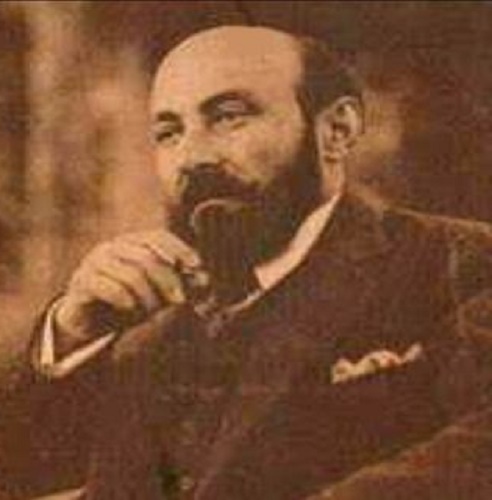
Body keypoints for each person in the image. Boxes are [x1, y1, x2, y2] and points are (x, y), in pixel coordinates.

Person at [25, 25, 492, 499]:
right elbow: (21, 470)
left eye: (229, 118)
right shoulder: (144, 319)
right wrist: (71, 333)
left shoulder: (460, 263)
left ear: (336, 130)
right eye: (168, 133)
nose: (192, 156)